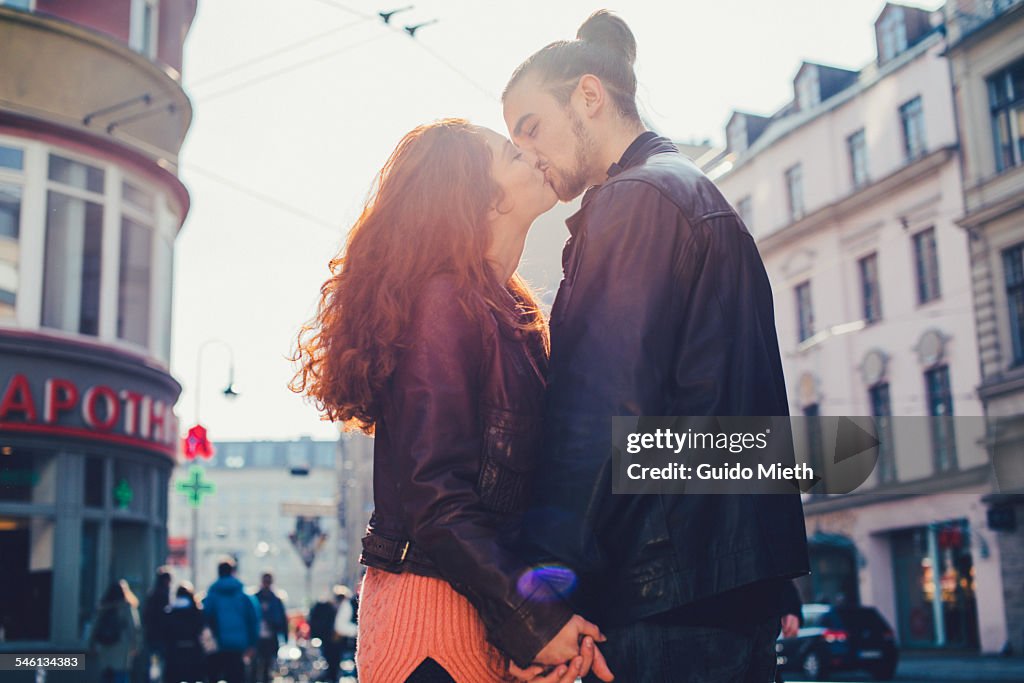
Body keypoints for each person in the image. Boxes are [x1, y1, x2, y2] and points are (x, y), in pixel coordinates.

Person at [502, 10, 810, 682]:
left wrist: (542, 598)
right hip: (727, 593)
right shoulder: (696, 195)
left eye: (531, 129)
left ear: (589, 95)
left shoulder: (633, 201)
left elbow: (600, 415)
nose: (528, 154)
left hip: (662, 597)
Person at [291, 119, 614, 683]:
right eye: (513, 155)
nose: (534, 157)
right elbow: (434, 497)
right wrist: (532, 621)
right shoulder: (444, 301)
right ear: (479, 199)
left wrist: (525, 627)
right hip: (430, 627)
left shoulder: (511, 311)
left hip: (485, 623)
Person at [203, 558, 259, 683]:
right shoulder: (245, 596)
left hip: (217, 645)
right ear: (233, 572)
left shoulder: (211, 595)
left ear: (218, 572)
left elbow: (204, 619)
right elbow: (253, 620)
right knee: (237, 677)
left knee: (214, 677)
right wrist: (252, 644)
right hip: (238, 645)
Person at [89, 579, 141, 683]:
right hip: (122, 645)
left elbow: (94, 627)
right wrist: (136, 645)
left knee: (106, 674)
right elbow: (134, 627)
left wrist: (91, 644)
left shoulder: (103, 607)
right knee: (121, 674)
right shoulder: (126, 607)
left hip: (104, 644)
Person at [162, 582, 207, 683]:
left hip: (174, 652)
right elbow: (201, 629)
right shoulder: (196, 611)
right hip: (194, 651)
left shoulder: (169, 611)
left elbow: (165, 632)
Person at [251, 572, 287, 683]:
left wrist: (284, 636)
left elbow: (282, 619)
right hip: (257, 638)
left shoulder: (276, 599)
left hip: (270, 637)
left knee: (267, 666)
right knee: (256, 666)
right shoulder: (255, 598)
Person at [140, 567, 172, 683]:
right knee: (160, 662)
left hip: (151, 635)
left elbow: (145, 616)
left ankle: (152, 679)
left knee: (153, 661)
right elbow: (166, 617)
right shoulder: (163, 595)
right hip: (161, 636)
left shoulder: (152, 595)